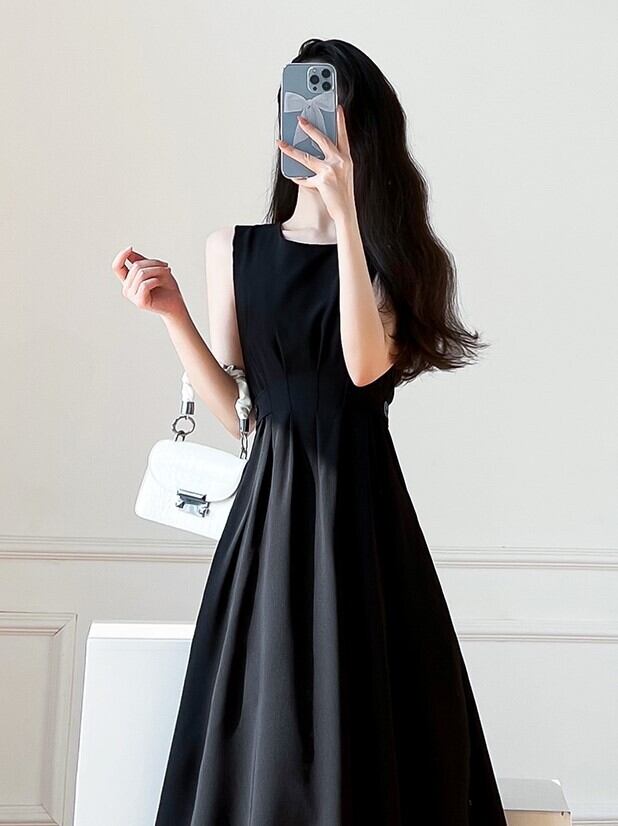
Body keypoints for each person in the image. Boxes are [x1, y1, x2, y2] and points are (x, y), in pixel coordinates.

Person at [112, 37, 507, 826]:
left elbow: (363, 367)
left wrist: (347, 216)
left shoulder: (394, 261)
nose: (311, 130)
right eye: (298, 110)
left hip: (362, 514)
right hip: (269, 512)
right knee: (267, 717)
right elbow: (241, 413)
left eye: (331, 115)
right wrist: (173, 315)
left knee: (366, 712)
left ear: (365, 136)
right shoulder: (234, 250)